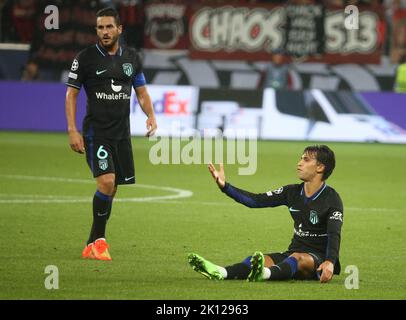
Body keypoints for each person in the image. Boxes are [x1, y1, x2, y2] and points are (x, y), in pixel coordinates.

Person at [65, 7, 157, 261]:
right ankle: (101, 242)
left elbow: (141, 91)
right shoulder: (85, 58)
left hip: (121, 135)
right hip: (96, 133)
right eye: (100, 28)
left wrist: (150, 115)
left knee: (113, 187)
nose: (104, 32)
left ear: (119, 29)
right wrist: (73, 130)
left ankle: (91, 243)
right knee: (106, 182)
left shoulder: (132, 58)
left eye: (108, 27)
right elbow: (71, 94)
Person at [188, 145, 344, 283]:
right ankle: (222, 272)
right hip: (291, 254)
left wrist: (330, 261)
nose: (299, 163)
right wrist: (225, 186)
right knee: (258, 259)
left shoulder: (332, 199)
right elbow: (256, 201)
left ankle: (264, 274)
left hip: (318, 260)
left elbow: (334, 233)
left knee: (298, 258)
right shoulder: (291, 192)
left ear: (320, 167)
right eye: (300, 158)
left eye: (306, 160)